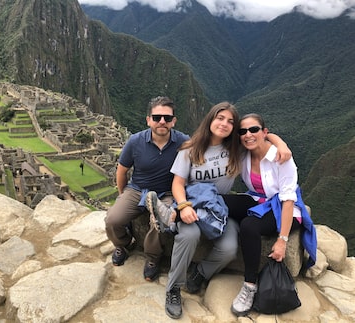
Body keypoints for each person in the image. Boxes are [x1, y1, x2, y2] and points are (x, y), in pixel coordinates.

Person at [146, 102, 292, 319]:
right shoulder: (191, 149)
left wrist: (281, 145)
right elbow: (177, 183)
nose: (224, 124)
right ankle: (174, 288)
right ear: (210, 120)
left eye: (230, 121)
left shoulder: (235, 149)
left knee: (229, 248)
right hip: (192, 207)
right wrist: (184, 206)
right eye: (220, 118)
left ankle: (200, 273)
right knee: (189, 235)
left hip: (220, 210)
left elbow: (258, 135)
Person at [230, 113, 317, 317]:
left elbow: (288, 200)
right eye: (243, 131)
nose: (248, 135)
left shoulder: (280, 158)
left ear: (264, 132)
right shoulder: (244, 153)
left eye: (254, 130)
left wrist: (282, 240)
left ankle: (250, 285)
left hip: (285, 210)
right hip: (259, 200)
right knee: (221, 202)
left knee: (249, 226)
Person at [104, 96, 189, 281]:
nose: (162, 122)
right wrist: (123, 196)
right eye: (157, 117)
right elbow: (122, 171)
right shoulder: (135, 141)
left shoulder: (183, 142)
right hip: (136, 190)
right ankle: (123, 244)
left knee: (159, 223)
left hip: (166, 193)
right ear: (148, 119)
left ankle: (152, 258)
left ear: (173, 121)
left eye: (167, 118)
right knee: (113, 219)